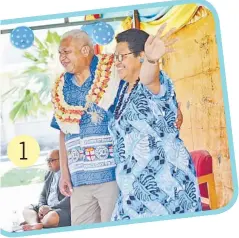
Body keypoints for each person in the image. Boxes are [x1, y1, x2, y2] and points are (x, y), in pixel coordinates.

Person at [50, 29, 183, 225]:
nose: (62, 58)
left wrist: (152, 62)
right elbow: (63, 131)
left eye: (66, 52)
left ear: (85, 50)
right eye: (60, 53)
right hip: (79, 180)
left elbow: (148, 82)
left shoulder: (113, 72)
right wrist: (65, 173)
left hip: (114, 175)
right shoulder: (60, 86)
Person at [109, 25, 202, 220]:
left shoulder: (154, 82)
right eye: (115, 57)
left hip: (165, 187)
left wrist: (152, 60)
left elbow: (149, 76)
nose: (116, 62)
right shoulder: (123, 90)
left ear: (140, 56)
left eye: (122, 56)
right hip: (133, 191)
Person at [21, 150, 71, 231]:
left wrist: (50, 209)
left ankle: (37, 221)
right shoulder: (49, 174)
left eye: (51, 160)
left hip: (61, 209)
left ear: (62, 159)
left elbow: (70, 198)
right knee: (27, 209)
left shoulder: (68, 174)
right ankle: (35, 224)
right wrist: (41, 207)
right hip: (47, 208)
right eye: (47, 160)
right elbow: (43, 195)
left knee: (52, 217)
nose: (48, 163)